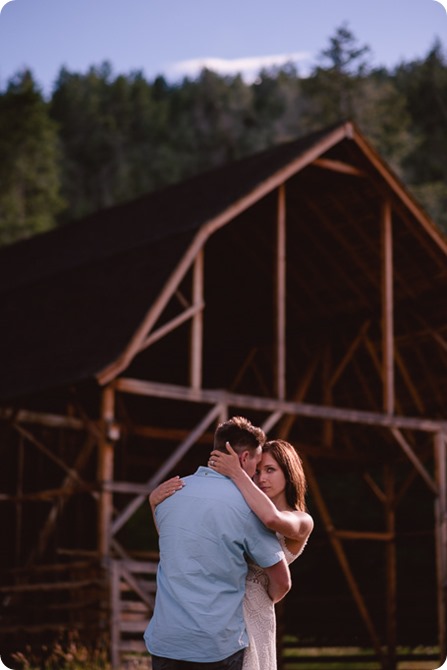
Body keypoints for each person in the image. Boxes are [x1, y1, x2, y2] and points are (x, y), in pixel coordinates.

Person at [144, 416, 291, 670]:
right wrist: (259, 600)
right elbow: (282, 582)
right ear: (244, 458)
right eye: (257, 466)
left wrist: (152, 503)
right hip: (215, 646)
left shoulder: (168, 494)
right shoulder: (246, 508)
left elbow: (171, 546)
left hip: (166, 642)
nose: (256, 476)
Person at [207, 438, 314, 670]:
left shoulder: (301, 520)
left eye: (270, 470)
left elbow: (272, 519)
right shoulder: (242, 512)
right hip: (218, 606)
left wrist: (237, 474)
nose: (261, 478)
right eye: (257, 471)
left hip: (254, 613)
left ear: (289, 473)